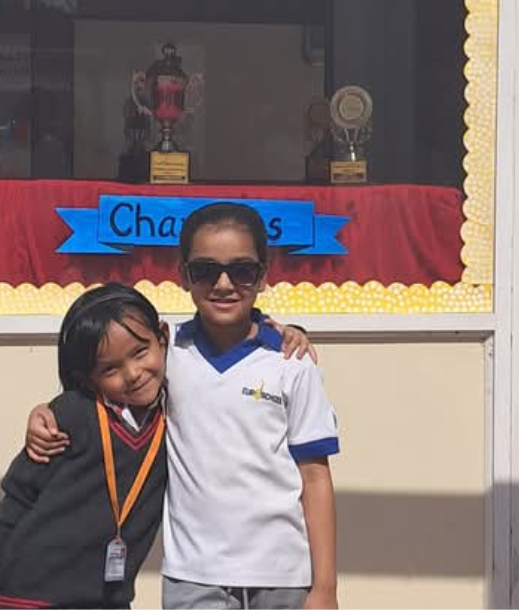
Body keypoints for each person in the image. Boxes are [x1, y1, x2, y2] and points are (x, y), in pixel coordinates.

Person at [27, 203, 340, 610]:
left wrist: (325, 588)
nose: (223, 284)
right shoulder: (164, 350)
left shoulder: (292, 363)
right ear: (183, 274)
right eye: (205, 270)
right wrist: (45, 412)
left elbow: (315, 478)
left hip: (282, 575)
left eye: (242, 270)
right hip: (193, 576)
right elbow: (107, 385)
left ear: (263, 276)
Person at [0, 284, 170, 610]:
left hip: (107, 601)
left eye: (140, 352)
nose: (132, 374)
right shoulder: (70, 416)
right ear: (88, 378)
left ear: (163, 339)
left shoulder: (178, 419)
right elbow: (17, 499)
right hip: (29, 597)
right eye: (110, 369)